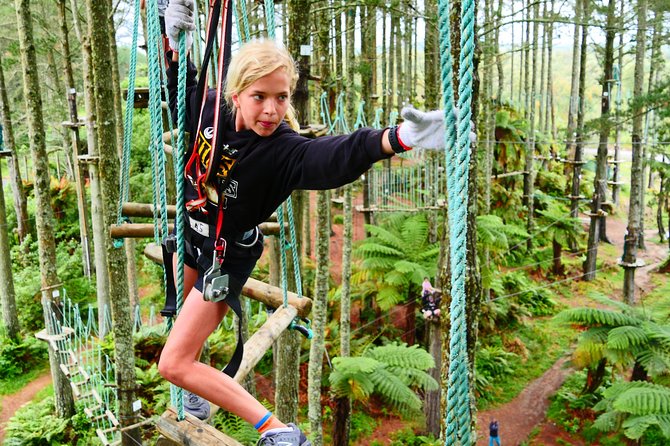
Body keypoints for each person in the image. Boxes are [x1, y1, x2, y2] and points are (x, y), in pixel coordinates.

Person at [157, 1, 451, 444]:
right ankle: (198, 394)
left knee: (173, 363)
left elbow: (333, 155)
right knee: (184, 324)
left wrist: (398, 139)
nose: (272, 110)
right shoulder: (208, 109)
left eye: (281, 97)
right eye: (259, 97)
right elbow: (181, 82)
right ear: (235, 94)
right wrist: (171, 37)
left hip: (225, 255)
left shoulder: (283, 150)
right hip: (192, 238)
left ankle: (277, 431)